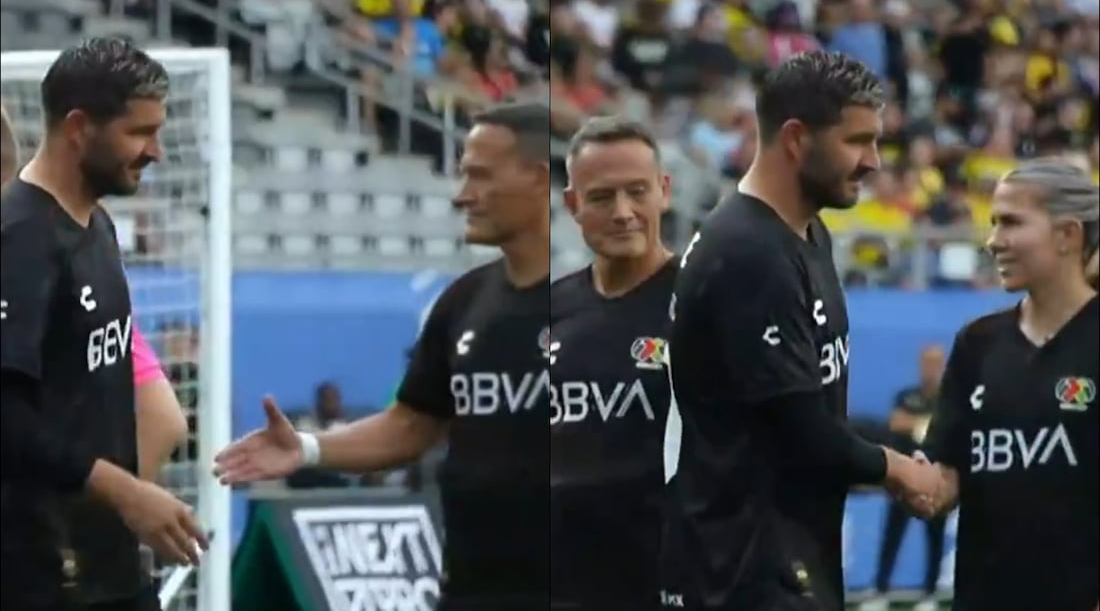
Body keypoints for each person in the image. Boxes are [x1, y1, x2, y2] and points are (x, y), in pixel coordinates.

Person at [214, 102, 552, 611]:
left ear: (538, 178)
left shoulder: (602, 307)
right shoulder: (463, 303)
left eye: (481, 176)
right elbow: (410, 425)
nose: (462, 195)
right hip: (474, 589)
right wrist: (307, 449)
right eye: (464, 176)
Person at [659, 51, 941, 611]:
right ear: (795, 138)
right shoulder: (749, 254)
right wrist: (896, 468)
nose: (873, 162)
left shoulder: (806, 235)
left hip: (792, 556)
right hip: (743, 573)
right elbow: (798, 428)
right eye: (857, 141)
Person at [0, 38, 208, 611]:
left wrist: (128, 502)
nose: (156, 152)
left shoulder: (97, 226)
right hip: (40, 578)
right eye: (139, 132)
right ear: (78, 128)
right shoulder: (18, 243)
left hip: (109, 569)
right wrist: (127, 492)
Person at [912, 161, 1099, 611]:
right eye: (994, 222)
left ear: (1067, 235)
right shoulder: (977, 342)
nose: (993, 240)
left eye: (1012, 222)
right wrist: (908, 478)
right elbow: (947, 474)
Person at [550, 116, 675, 610]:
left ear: (664, 191)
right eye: (602, 197)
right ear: (573, 205)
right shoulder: (549, 310)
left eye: (637, 192)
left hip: (675, 586)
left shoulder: (707, 304)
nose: (623, 213)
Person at [860, 345, 948, 611]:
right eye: (926, 363)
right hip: (902, 480)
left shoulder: (947, 398)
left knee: (934, 537)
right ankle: (880, 589)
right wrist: (925, 423)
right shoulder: (907, 396)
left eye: (935, 364)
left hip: (934, 478)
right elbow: (896, 422)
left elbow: (947, 425)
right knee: (892, 535)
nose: (929, 369)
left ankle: (930, 593)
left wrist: (917, 423)